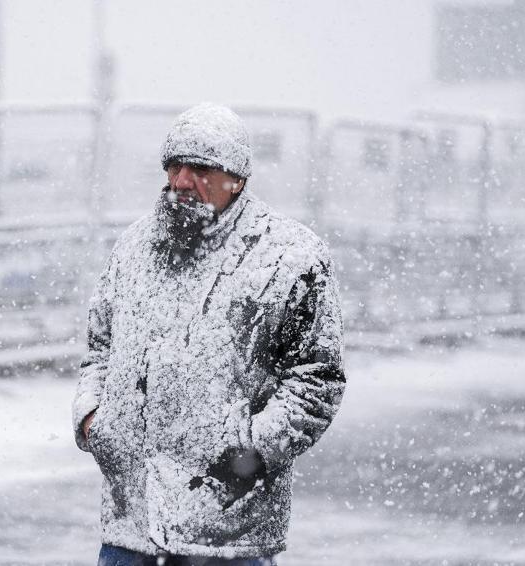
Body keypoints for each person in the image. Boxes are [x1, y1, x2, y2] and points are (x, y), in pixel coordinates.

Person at [72, 103, 346, 565]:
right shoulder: (134, 249)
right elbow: (100, 349)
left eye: (199, 168)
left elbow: (316, 380)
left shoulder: (290, 258)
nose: (181, 181)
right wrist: (93, 421)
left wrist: (252, 452)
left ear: (237, 177)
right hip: (130, 529)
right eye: (174, 166)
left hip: (227, 532)